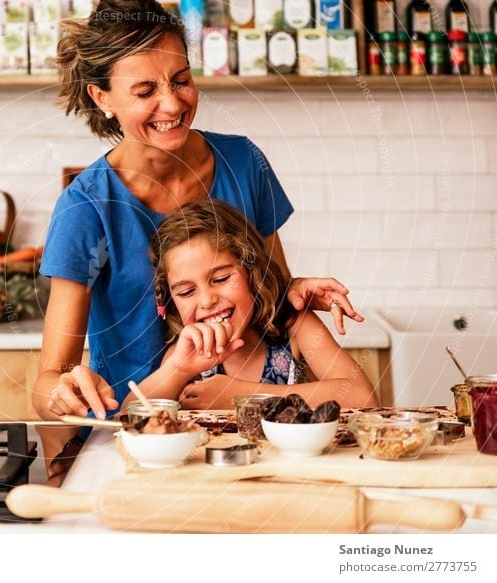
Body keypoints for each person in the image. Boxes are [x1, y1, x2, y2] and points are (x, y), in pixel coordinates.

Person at [33, 0, 363, 464]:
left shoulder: (245, 162)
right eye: (145, 90)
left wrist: (296, 290)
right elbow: (50, 380)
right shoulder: (85, 207)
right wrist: (62, 392)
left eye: (181, 81)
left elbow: (269, 299)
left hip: (249, 435)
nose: (171, 104)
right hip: (141, 437)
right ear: (101, 97)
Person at [127, 199, 378, 410]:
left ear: (252, 272)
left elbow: (363, 397)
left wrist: (240, 396)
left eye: (221, 278)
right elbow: (129, 416)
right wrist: (178, 370)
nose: (207, 300)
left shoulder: (294, 326)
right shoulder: (188, 353)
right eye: (186, 291)